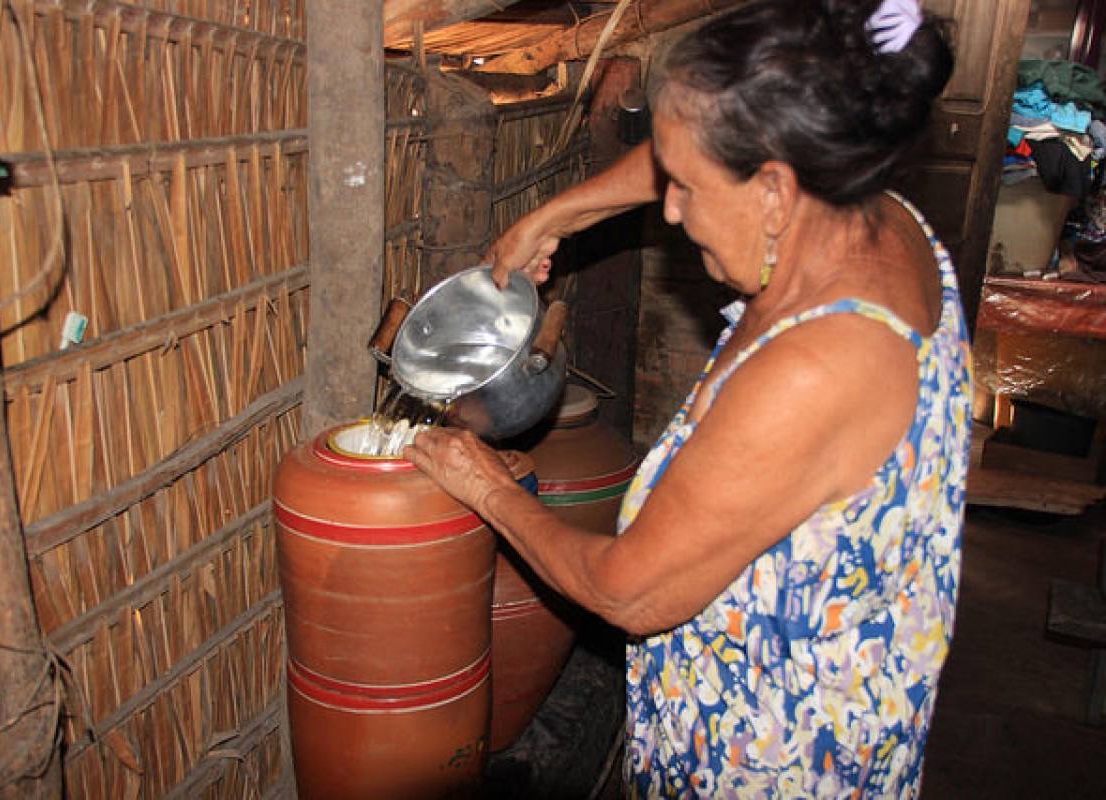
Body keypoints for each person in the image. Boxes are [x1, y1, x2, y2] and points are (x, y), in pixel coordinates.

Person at [404, 0, 968, 796]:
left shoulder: (819, 367)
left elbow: (626, 591)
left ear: (772, 188)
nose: (670, 208)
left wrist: (485, 486)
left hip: (774, 758)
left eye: (689, 189)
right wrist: (563, 211)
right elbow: (692, 148)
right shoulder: (861, 207)